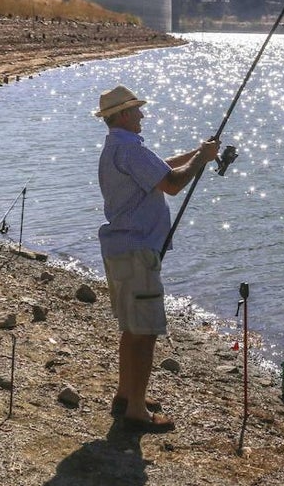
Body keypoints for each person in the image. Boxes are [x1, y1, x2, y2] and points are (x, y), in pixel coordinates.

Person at [94, 84, 220, 433]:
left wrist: (198, 151)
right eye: (136, 110)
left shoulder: (118, 147)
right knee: (145, 332)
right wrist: (202, 159)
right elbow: (173, 183)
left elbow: (161, 167)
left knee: (131, 330)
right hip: (136, 253)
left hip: (121, 250)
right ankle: (136, 410)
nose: (142, 115)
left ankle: (126, 395)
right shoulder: (130, 149)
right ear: (122, 115)